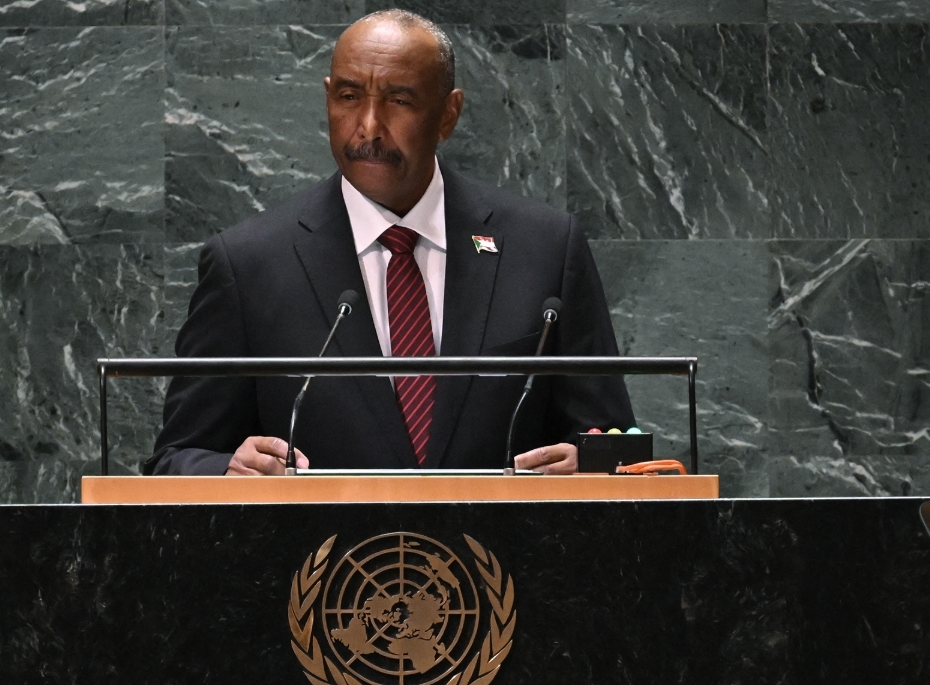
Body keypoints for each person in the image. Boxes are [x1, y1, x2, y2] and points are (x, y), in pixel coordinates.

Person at [146, 10, 634, 476]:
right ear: (327, 98)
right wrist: (227, 469)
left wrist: (592, 464)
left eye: (399, 100)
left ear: (449, 114)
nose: (369, 127)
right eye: (349, 96)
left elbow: (617, 444)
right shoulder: (249, 264)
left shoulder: (545, 248)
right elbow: (175, 457)